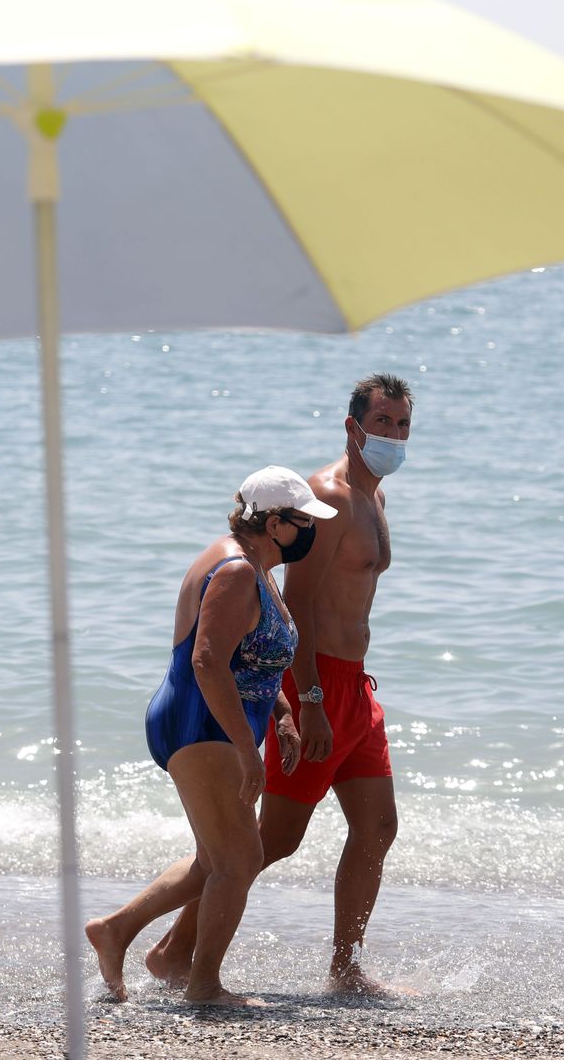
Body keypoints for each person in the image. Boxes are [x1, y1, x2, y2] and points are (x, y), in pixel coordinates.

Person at [147, 373, 413, 995]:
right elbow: (301, 605)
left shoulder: (375, 498)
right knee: (270, 840)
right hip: (317, 685)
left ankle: (346, 968)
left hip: (357, 687)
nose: (395, 436)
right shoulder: (330, 498)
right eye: (383, 423)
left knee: (378, 826)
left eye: (403, 424)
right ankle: (169, 947)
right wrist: (309, 700)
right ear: (353, 427)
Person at [85, 466, 337, 1006]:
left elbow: (255, 656)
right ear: (274, 523)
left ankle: (116, 931)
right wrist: (248, 753)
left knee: (214, 859)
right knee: (239, 860)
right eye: (304, 522)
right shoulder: (236, 570)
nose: (311, 532)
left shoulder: (257, 567)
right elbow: (207, 661)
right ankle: (203, 987)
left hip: (218, 721)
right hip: (201, 722)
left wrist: (284, 714)